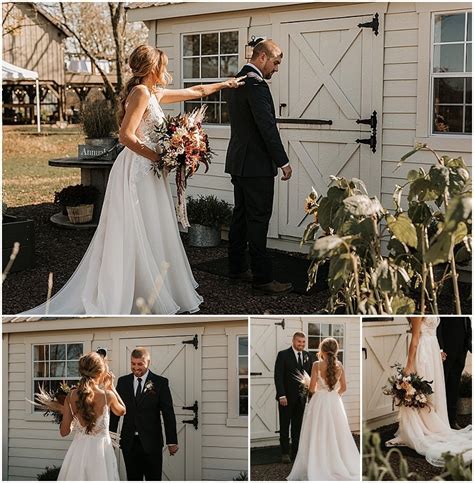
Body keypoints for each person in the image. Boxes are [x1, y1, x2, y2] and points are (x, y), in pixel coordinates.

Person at [20, 44, 245, 315]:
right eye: (162, 65)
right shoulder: (140, 93)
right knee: (138, 225)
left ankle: (152, 286)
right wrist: (158, 157)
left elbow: (196, 91)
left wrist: (227, 83)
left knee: (153, 226)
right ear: (152, 68)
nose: (166, 70)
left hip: (149, 169)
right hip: (138, 170)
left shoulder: (152, 92)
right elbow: (126, 136)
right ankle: (132, 290)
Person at [225, 39, 293, 295]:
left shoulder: (237, 82)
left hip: (238, 162)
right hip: (256, 166)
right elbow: (267, 128)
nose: (276, 68)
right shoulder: (255, 86)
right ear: (262, 57)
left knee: (240, 217)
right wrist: (283, 162)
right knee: (258, 220)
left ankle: (237, 268)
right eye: (275, 63)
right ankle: (263, 279)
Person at [386, 317, 472, 466]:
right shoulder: (417, 314)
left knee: (434, 390)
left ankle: (434, 422)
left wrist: (438, 350)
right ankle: (421, 426)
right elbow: (415, 340)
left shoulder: (431, 308)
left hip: (433, 350)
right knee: (422, 390)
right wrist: (410, 365)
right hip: (424, 352)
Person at [288, 338, 360, 480]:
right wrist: (334, 395)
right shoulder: (340, 365)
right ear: (336, 350)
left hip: (319, 401)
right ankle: (337, 463)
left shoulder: (316, 365)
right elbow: (344, 387)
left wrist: (309, 386)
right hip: (334, 401)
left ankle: (318, 464)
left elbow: (312, 387)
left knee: (318, 432)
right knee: (336, 433)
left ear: (321, 350)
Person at [109, 347, 177, 481]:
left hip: (152, 443)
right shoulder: (123, 382)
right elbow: (115, 412)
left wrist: (172, 441)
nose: (136, 368)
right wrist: (110, 437)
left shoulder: (160, 383)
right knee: (133, 478)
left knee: (153, 478)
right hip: (129, 443)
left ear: (148, 363)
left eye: (140, 364)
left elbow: (168, 413)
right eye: (133, 364)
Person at [58, 352, 126, 481]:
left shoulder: (71, 396)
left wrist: (73, 418)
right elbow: (122, 411)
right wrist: (112, 387)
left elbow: (64, 432)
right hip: (100, 454)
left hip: (78, 452)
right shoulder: (108, 396)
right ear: (100, 373)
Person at [274, 332, 314, 462]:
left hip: (301, 398)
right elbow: (278, 376)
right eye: (299, 342)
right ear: (293, 341)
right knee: (285, 426)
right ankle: (285, 453)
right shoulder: (283, 355)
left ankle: (295, 454)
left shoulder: (308, 356)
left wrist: (310, 394)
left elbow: (310, 377)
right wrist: (281, 395)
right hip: (286, 398)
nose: (301, 344)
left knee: (297, 427)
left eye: (303, 342)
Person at [437, 316, 472, 429]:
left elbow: (467, 321)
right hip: (446, 351)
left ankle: (452, 419)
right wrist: (440, 348)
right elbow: (439, 325)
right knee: (443, 385)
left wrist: (468, 344)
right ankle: (441, 421)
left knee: (454, 385)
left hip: (462, 350)